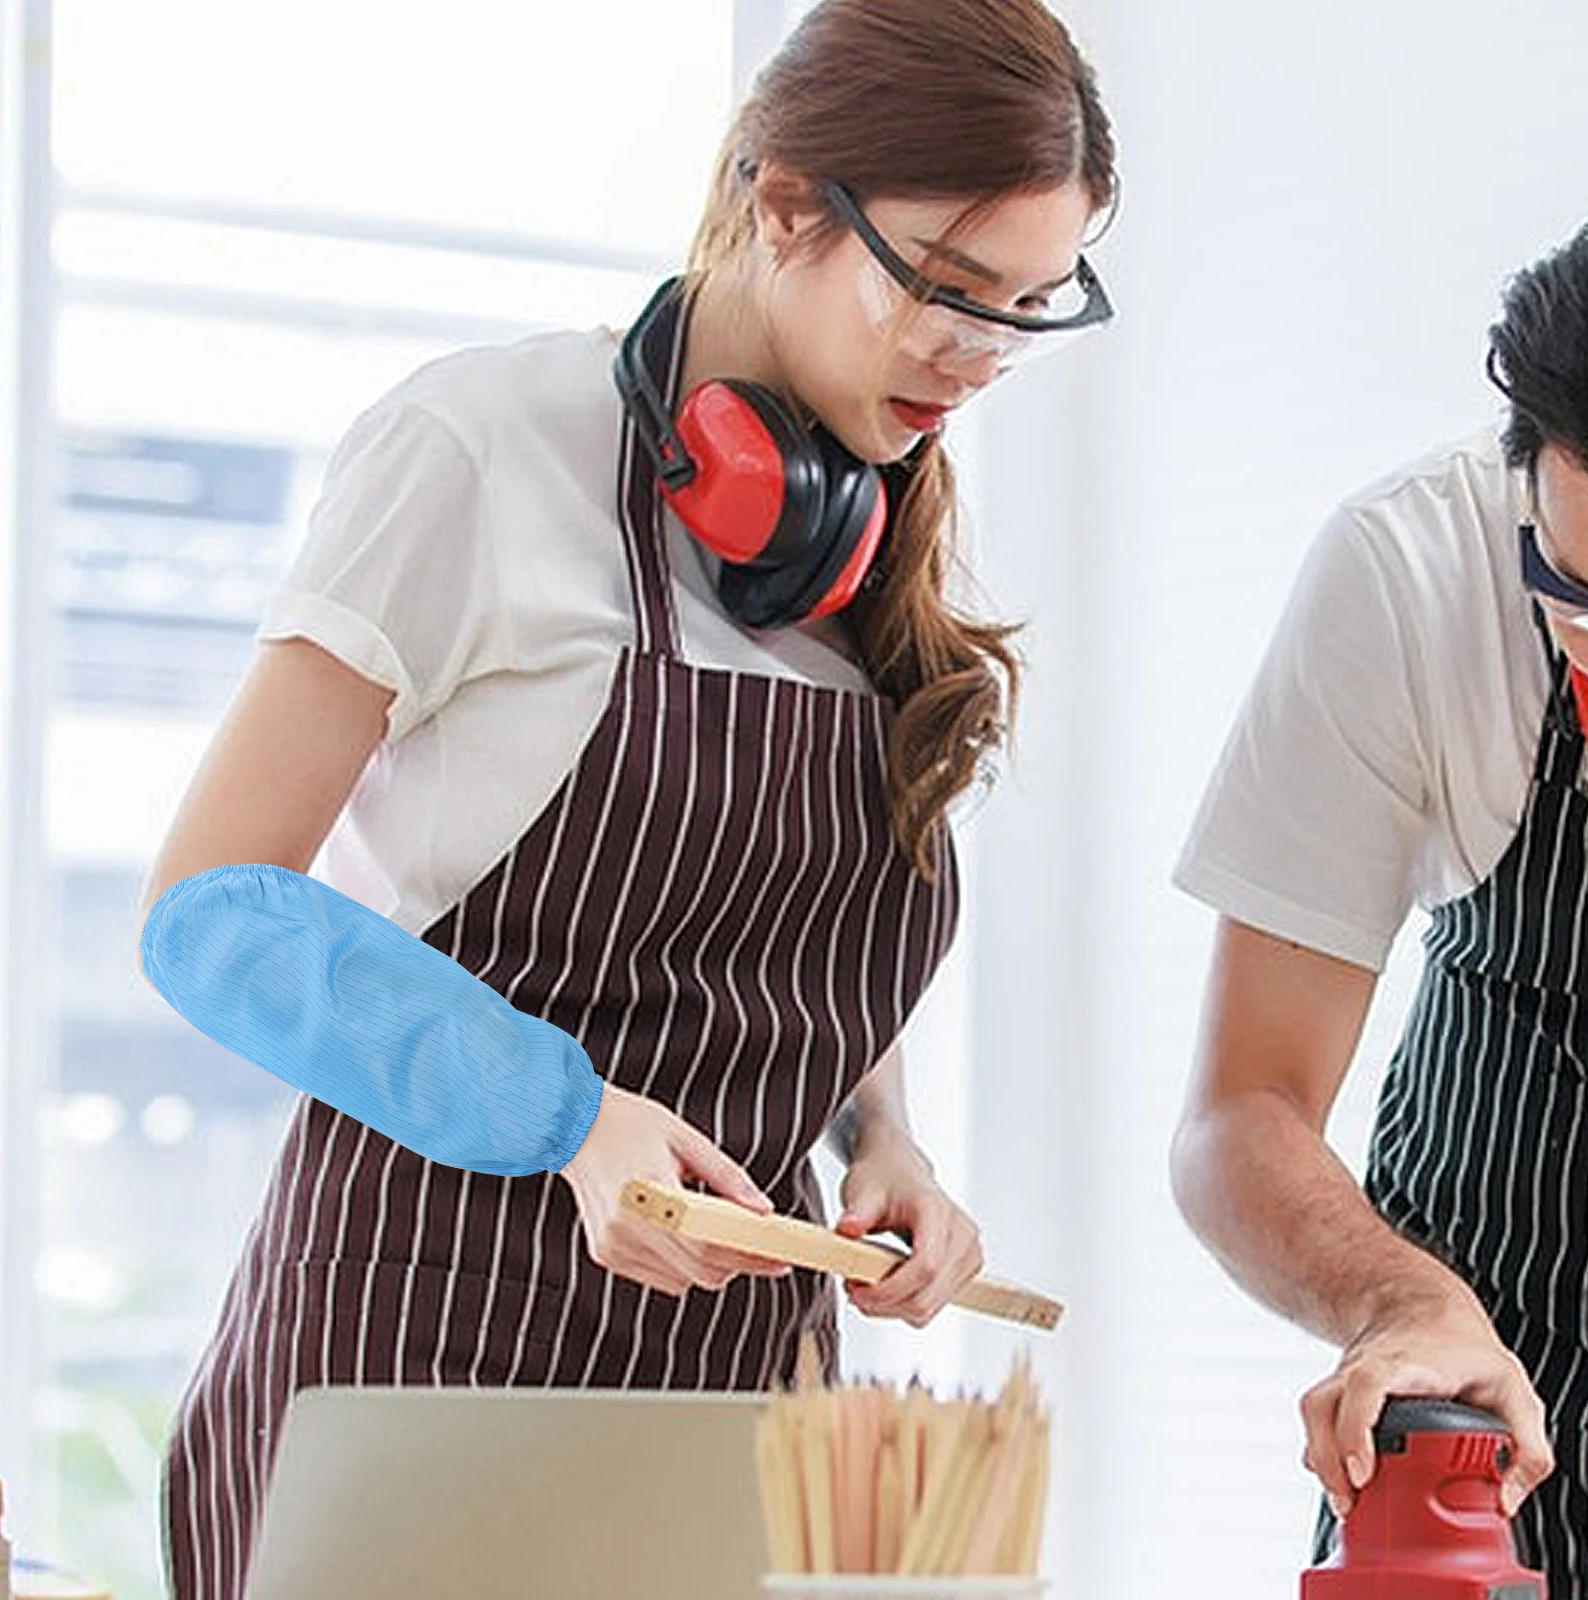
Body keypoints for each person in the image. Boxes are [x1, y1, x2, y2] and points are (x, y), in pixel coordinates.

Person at [134, 3, 1119, 1597]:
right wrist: (571, 1119)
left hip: (739, 1396)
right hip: (422, 1340)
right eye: (946, 283)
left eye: (1027, 310)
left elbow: (782, 951)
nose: (976, 354)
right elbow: (209, 915)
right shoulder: (478, 449)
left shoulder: (866, 539)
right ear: (782, 196)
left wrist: (891, 1147)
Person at [1170, 224, 1588, 1592]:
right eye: (1581, 598)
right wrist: (1400, 1304)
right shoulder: (1413, 569)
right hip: (1492, 1434)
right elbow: (1240, 1113)